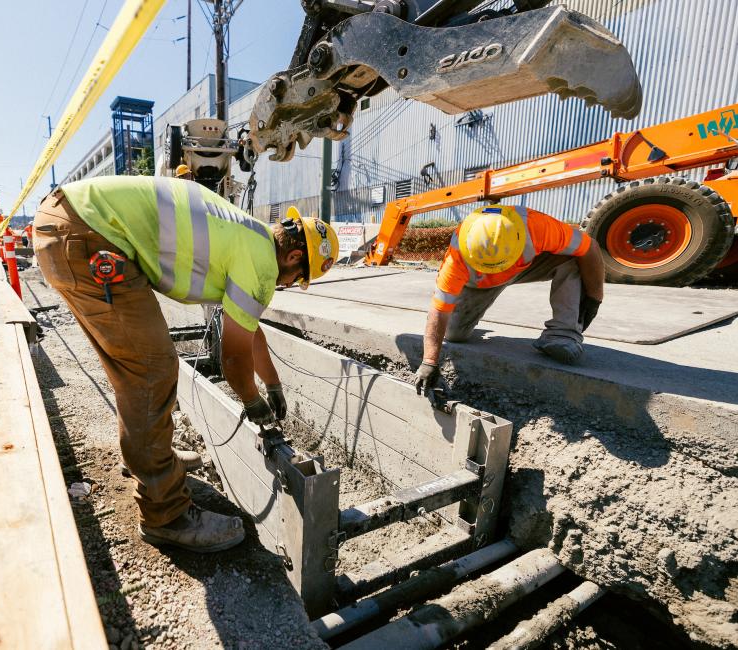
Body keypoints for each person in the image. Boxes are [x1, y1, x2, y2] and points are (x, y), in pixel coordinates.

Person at [33, 176, 339, 553]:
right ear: (294, 258)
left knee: (135, 365)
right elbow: (233, 356)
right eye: (297, 279)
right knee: (151, 368)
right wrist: (252, 400)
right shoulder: (261, 265)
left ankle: (153, 460)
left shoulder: (250, 236)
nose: (290, 284)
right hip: (90, 236)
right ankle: (166, 515)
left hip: (76, 225)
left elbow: (248, 327)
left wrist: (272, 383)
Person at [413, 204, 605, 393]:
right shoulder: (456, 258)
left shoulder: (536, 227)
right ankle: (470, 311)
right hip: (479, 284)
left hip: (526, 266)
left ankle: (564, 334)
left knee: (573, 258)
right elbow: (439, 310)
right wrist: (429, 361)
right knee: (455, 335)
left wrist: (595, 298)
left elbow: (590, 248)